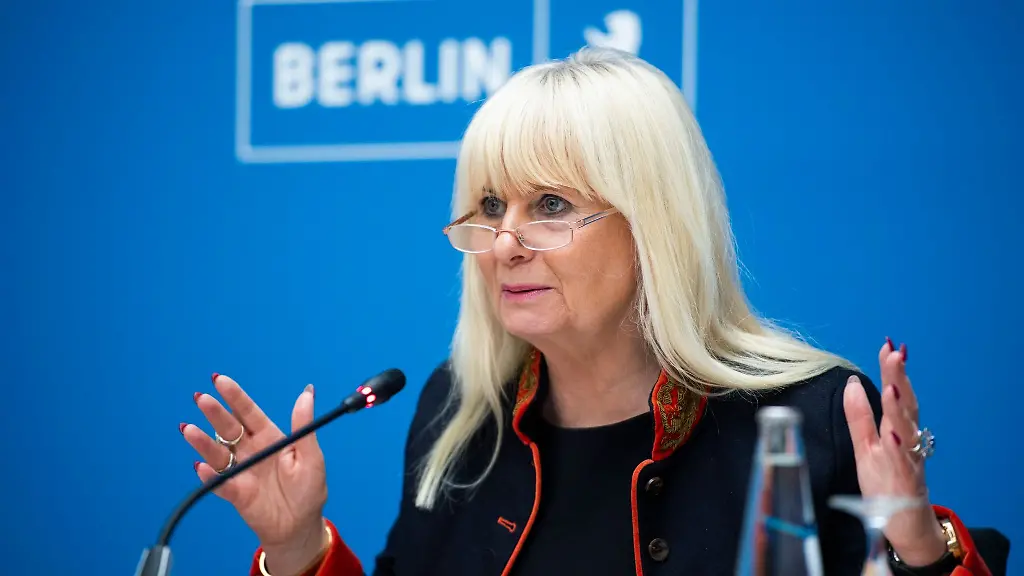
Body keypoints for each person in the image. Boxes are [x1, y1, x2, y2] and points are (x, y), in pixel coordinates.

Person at [180, 48, 993, 576]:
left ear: (654, 225)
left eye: (551, 205)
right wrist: (298, 549)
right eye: (490, 205)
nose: (505, 243)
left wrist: (921, 550)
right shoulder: (460, 412)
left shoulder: (812, 420)